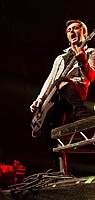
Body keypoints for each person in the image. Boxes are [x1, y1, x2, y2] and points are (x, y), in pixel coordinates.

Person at [30, 19, 95, 170]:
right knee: (51, 132)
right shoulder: (59, 58)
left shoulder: (91, 52)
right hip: (58, 96)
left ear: (84, 32)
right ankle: (60, 171)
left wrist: (83, 61)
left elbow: (91, 76)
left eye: (75, 28)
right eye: (69, 30)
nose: (72, 31)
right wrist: (40, 98)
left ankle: (84, 116)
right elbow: (50, 80)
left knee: (62, 81)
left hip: (76, 91)